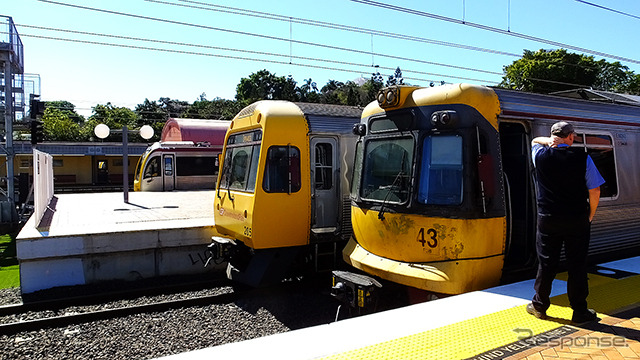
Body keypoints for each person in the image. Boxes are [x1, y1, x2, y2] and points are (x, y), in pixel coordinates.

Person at [527, 121, 605, 324]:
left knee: (546, 263)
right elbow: (595, 190)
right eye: (573, 136)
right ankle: (579, 311)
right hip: (577, 219)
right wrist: (590, 215)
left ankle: (539, 305)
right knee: (577, 265)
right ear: (570, 137)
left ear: (553, 137)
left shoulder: (540, 156)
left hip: (548, 220)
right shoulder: (583, 157)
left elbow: (535, 140)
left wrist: (550, 141)